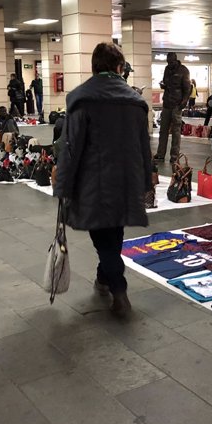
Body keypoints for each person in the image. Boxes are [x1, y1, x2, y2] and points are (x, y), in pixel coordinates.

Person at [54, 42, 152, 317]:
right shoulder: (136, 103)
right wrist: (146, 181)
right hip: (126, 181)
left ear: (93, 68)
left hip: (93, 183)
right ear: (120, 69)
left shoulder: (82, 99)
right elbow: (144, 147)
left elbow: (70, 149)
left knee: (102, 237)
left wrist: (64, 186)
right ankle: (103, 278)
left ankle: (119, 290)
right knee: (114, 233)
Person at [154, 52, 191, 163]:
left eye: (172, 62)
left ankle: (174, 156)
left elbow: (187, 88)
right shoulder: (167, 69)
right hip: (166, 104)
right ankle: (160, 153)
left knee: (176, 131)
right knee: (163, 130)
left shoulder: (183, 70)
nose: (170, 64)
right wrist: (163, 85)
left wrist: (184, 102)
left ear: (176, 59)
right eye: (168, 62)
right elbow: (165, 82)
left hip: (177, 104)